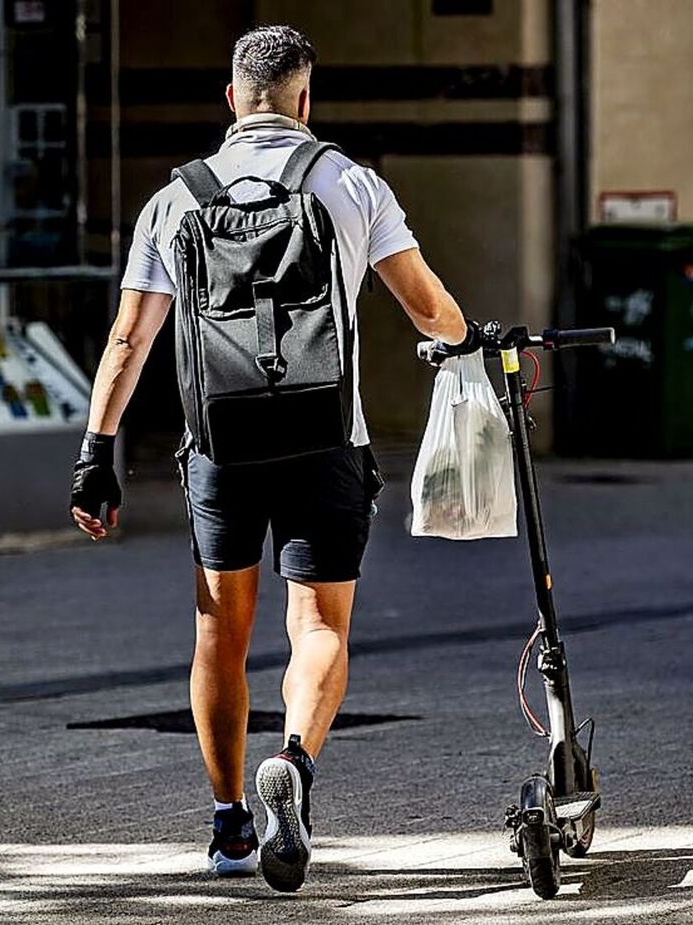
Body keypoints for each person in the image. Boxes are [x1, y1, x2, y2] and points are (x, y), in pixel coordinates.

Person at [69, 25, 478, 891]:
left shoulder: (173, 200)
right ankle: (292, 758)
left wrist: (96, 452)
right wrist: (468, 341)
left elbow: (128, 339)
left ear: (230, 100)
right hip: (327, 437)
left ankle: (227, 827)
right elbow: (427, 307)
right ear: (304, 99)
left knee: (220, 629)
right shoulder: (350, 183)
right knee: (320, 624)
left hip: (220, 445)